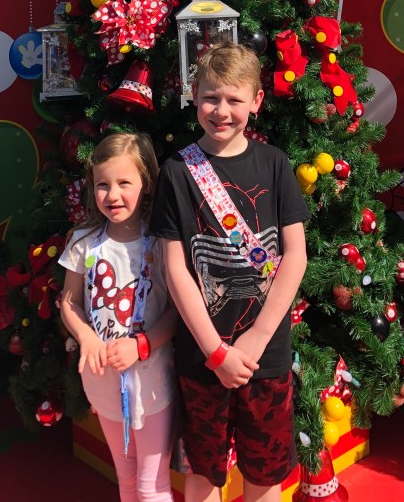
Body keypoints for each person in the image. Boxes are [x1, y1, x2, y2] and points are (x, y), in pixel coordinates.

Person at [150, 44, 310, 502]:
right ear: (194, 94)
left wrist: (257, 338)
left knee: (265, 473)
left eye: (234, 100)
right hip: (202, 358)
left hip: (267, 355)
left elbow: (295, 256)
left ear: (256, 101)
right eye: (211, 97)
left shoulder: (275, 164)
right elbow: (176, 268)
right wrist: (215, 351)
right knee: (203, 472)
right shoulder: (177, 172)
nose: (221, 111)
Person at [60, 132, 177, 502]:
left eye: (124, 183)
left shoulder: (161, 244)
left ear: (146, 183)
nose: (113, 195)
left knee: (151, 486)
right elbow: (69, 302)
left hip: (153, 383)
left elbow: (176, 311)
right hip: (104, 384)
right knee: (125, 480)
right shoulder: (83, 242)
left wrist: (142, 345)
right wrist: (86, 337)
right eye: (103, 185)